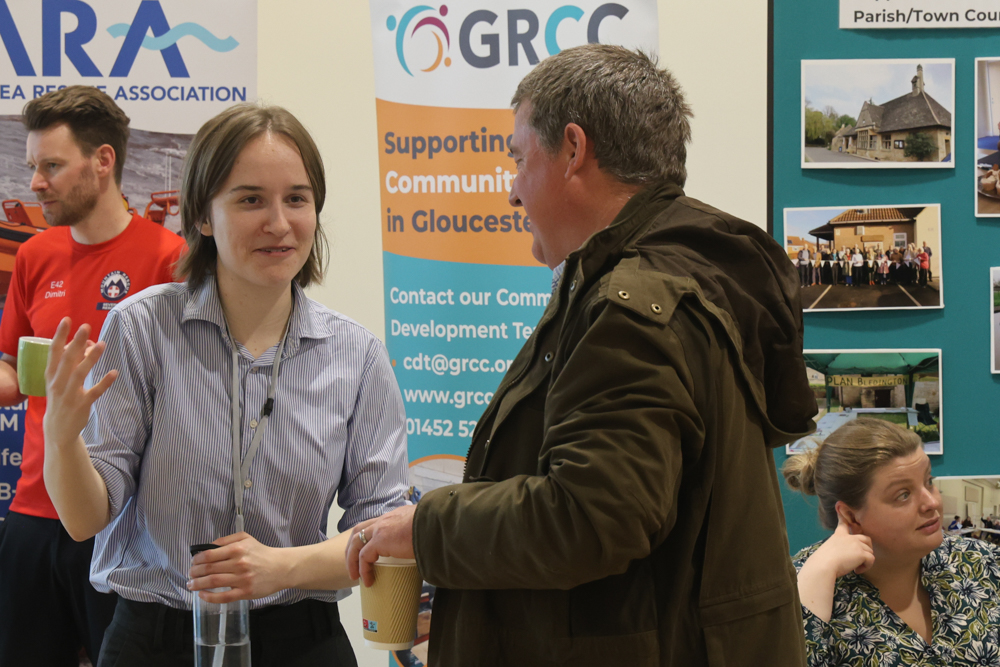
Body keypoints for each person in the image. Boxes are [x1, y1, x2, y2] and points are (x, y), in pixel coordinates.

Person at [346, 45, 817, 666]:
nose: (512, 192)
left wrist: (426, 529)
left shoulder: (632, 306)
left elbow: (592, 517)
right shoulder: (682, 276)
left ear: (573, 149)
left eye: (518, 158)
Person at [41, 103, 408, 665]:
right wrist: (62, 440)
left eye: (297, 198)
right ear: (204, 216)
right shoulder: (141, 329)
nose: (279, 223)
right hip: (157, 638)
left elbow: (383, 535)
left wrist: (280, 567)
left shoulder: (356, 355)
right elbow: (86, 517)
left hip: (301, 640)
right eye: (250, 199)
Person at [0, 85, 187, 665]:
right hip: (33, 511)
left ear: (103, 161)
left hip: (122, 522)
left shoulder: (170, 258)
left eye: (51, 166)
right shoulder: (35, 256)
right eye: (33, 166)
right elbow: (10, 369)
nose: (35, 183)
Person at [784, 418, 1000, 666]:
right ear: (850, 516)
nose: (932, 502)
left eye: (929, 481)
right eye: (903, 495)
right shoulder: (804, 585)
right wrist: (813, 586)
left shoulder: (979, 561)